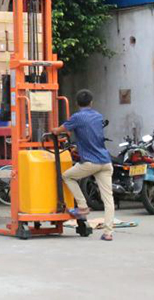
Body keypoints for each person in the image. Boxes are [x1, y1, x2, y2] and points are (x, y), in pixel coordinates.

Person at [51, 89, 115, 241]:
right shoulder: (98, 116)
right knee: (108, 199)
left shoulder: (77, 117)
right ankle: (108, 233)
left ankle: (82, 206)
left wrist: (54, 130)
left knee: (67, 176)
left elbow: (59, 130)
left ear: (76, 103)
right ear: (91, 102)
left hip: (90, 162)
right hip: (106, 162)